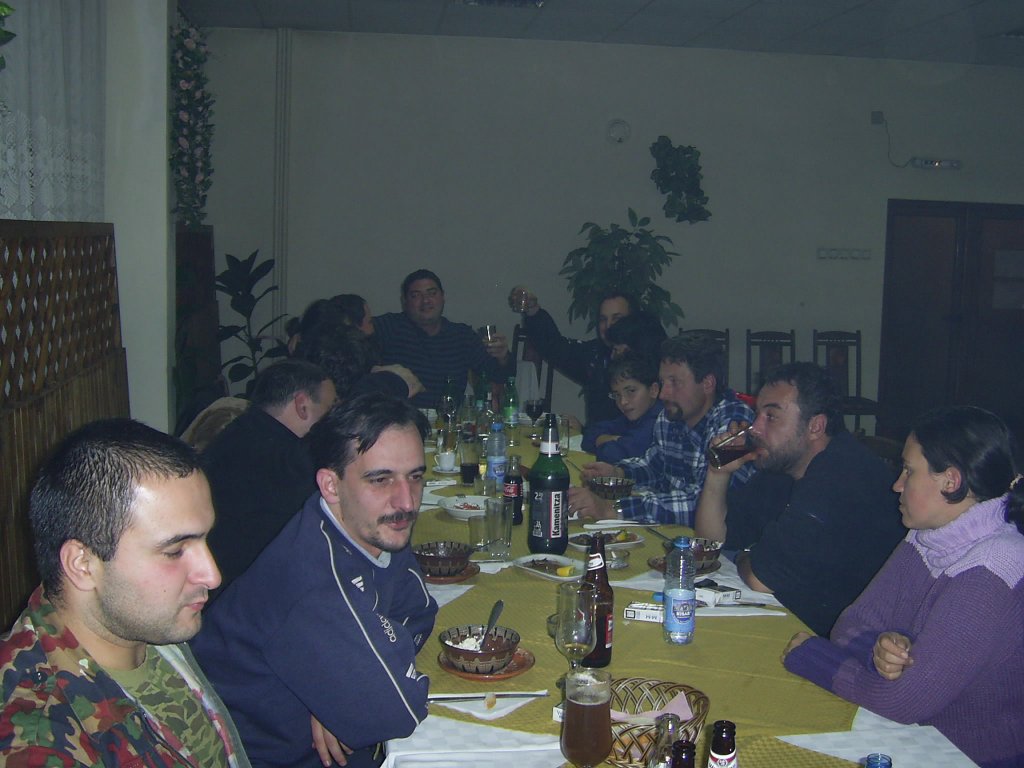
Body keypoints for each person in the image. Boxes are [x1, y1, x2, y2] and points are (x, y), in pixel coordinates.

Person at [190, 392, 438, 768]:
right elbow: (394, 713)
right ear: (331, 486)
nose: (406, 501)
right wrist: (346, 686)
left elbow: (420, 611)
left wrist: (338, 685)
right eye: (380, 479)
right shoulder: (313, 581)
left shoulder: (369, 525)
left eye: (415, 477)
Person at [782, 406, 1024, 768]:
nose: (897, 484)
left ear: (950, 481)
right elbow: (851, 623)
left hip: (971, 757)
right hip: (920, 737)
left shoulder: (993, 572)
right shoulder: (930, 535)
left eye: (909, 471)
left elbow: (901, 701)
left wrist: (812, 656)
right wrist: (881, 652)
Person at [0, 419, 250, 766]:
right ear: (82, 564)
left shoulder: (140, 622)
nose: (212, 575)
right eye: (174, 551)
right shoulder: (38, 742)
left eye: (204, 539)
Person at [695, 362, 905, 637]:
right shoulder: (784, 468)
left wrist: (747, 554)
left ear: (815, 426)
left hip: (841, 640)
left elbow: (761, 578)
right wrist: (717, 473)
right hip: (793, 619)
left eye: (771, 417)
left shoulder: (840, 475)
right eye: (758, 414)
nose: (754, 428)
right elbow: (711, 541)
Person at [570, 332, 757, 525]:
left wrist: (612, 509)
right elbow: (655, 467)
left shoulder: (734, 426)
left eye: (674, 382)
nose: (663, 394)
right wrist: (618, 474)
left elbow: (705, 504)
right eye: (663, 382)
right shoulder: (671, 416)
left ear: (707, 384)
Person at [203, 359, 336, 596]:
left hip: (216, 586)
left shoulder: (237, 435)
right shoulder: (289, 462)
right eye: (329, 409)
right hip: (245, 594)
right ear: (302, 405)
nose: (332, 420)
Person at [374, 269, 512, 409]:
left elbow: (498, 376)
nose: (425, 301)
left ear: (443, 297)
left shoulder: (462, 336)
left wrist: (503, 357)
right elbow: (359, 334)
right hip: (397, 418)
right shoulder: (389, 327)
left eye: (432, 293)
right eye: (416, 295)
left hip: (447, 419)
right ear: (405, 301)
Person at [508, 286, 633, 426]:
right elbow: (555, 347)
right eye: (603, 319)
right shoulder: (595, 355)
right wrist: (533, 311)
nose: (608, 326)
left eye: (617, 318)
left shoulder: (645, 362)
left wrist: (585, 433)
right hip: (596, 439)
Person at [581, 352, 664, 463]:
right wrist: (616, 439)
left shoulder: (659, 421)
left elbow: (612, 454)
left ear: (653, 390)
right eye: (617, 395)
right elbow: (589, 435)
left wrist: (604, 440)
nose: (623, 402)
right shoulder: (632, 417)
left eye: (631, 391)